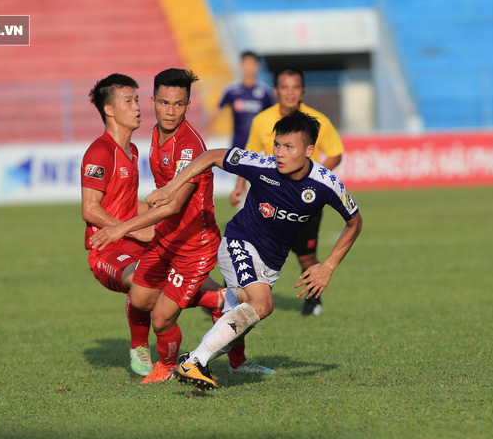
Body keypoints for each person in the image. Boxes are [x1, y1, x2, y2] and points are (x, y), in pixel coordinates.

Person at [146, 109, 362, 390]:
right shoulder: (262, 165)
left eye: (288, 147)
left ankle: (201, 345)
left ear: (310, 150)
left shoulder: (325, 183)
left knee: (237, 322)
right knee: (262, 304)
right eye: (277, 145)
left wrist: (328, 266)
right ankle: (193, 363)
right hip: (238, 242)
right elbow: (211, 156)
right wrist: (171, 188)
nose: (279, 153)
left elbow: (354, 222)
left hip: (271, 263)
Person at [89, 68, 273, 384]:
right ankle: (222, 320)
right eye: (164, 103)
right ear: (153, 101)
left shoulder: (189, 146)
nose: (171, 111)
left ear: (188, 105)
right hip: (166, 238)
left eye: (179, 104)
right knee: (140, 299)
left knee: (161, 318)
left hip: (194, 246)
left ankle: (168, 366)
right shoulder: (151, 135)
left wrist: (122, 228)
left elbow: (173, 203)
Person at [81, 73, 225, 379]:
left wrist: (138, 226)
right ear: (110, 109)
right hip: (106, 248)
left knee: (155, 301)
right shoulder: (100, 152)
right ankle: (141, 348)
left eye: (136, 100)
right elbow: (90, 210)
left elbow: (153, 204)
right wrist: (131, 228)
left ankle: (219, 346)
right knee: (146, 292)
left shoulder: (135, 149)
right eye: (130, 101)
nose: (137, 108)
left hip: (170, 240)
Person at [232, 67, 344, 317]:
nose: (290, 92)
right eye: (285, 87)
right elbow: (248, 158)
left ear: (303, 90)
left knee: (306, 255)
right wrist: (239, 187)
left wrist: (314, 180)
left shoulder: (318, 120)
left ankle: (313, 299)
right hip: (269, 199)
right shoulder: (262, 120)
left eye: (295, 87)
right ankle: (234, 297)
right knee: (249, 246)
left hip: (304, 204)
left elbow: (335, 152)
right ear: (276, 90)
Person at [206, 51, 273, 151]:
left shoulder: (265, 92)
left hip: (259, 146)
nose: (249, 67)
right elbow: (217, 112)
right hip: (237, 145)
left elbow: (272, 117)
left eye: (252, 63)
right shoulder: (231, 90)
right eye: (246, 63)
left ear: (257, 66)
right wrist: (208, 130)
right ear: (241, 66)